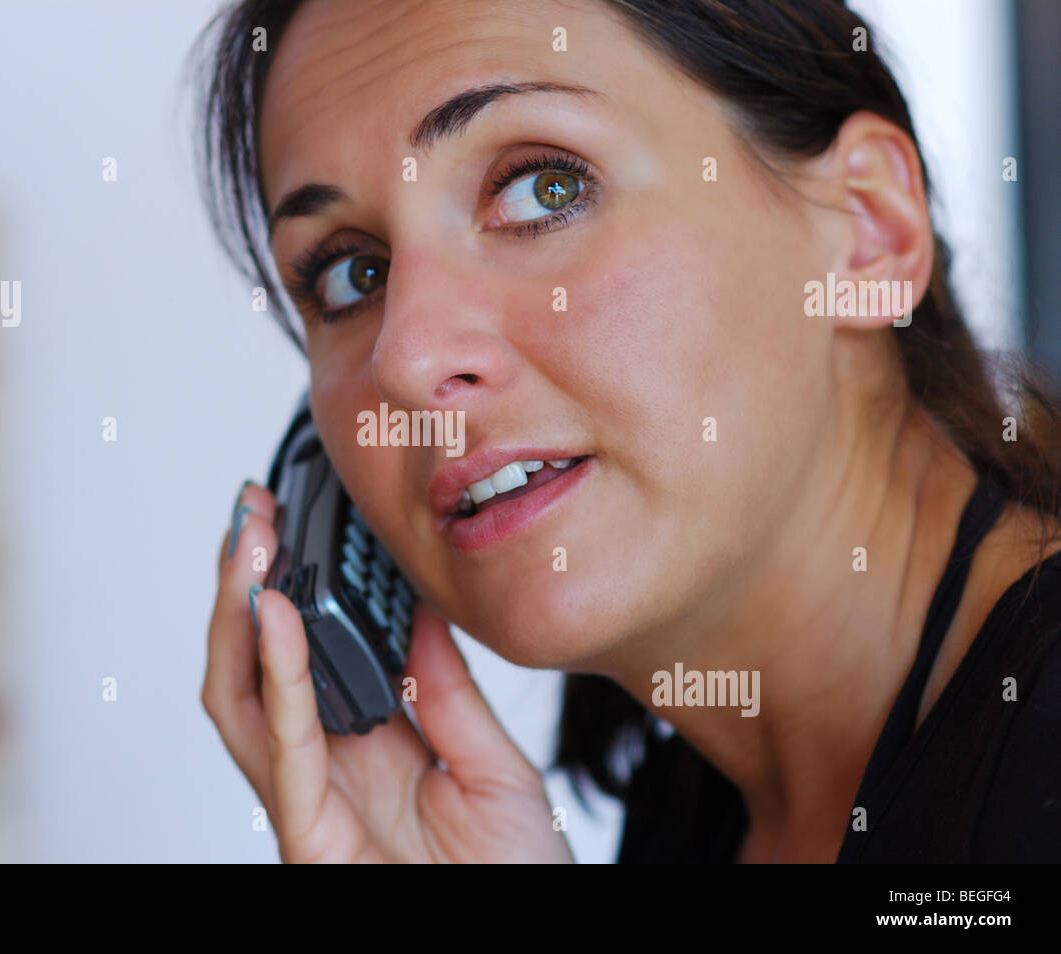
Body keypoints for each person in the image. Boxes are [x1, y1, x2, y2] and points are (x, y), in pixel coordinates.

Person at [195, 0, 1061, 862]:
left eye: (545, 187)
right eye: (354, 273)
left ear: (869, 230)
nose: (407, 361)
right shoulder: (691, 813)